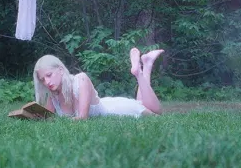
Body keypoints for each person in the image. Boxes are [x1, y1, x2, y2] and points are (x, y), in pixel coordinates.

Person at [33, 48, 165, 120]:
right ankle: (147, 64)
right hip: (107, 103)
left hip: (116, 110)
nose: (47, 82)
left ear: (61, 70)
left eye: (49, 75)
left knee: (156, 114)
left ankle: (138, 72)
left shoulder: (80, 80)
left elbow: (82, 118)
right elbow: (47, 120)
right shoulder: (52, 95)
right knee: (142, 103)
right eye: (42, 79)